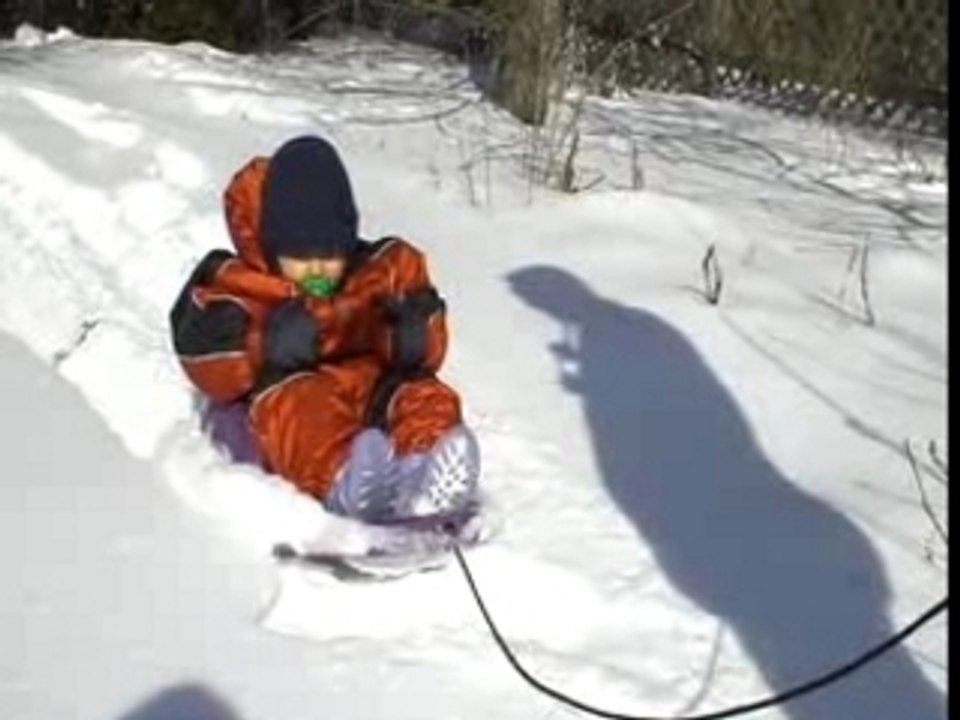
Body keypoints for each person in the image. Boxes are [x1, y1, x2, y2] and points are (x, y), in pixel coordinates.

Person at [169, 135, 480, 525]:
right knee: (299, 404)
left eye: (330, 255)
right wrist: (264, 344)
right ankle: (347, 479)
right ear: (271, 247)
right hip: (291, 402)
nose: (316, 270)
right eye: (300, 257)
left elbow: (426, 338)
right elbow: (203, 358)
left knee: (422, 392)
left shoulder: (379, 271)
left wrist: (413, 335)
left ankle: (426, 472)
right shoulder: (241, 286)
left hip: (368, 395)